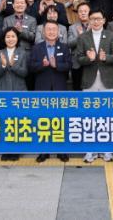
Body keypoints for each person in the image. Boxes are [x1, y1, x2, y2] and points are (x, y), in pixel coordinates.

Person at [76, 9, 113, 163]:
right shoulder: (83, 37)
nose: (96, 21)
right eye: (93, 18)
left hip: (108, 80)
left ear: (103, 20)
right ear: (89, 20)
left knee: (108, 116)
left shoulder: (111, 35)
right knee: (89, 116)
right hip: (89, 81)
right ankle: (90, 151)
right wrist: (89, 59)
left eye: (98, 18)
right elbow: (78, 58)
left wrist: (105, 57)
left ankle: (107, 150)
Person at [29, 20, 71, 163]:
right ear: (43, 32)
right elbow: (31, 67)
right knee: (43, 120)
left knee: (60, 119)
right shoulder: (37, 48)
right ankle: (44, 151)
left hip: (59, 88)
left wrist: (55, 65)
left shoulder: (64, 47)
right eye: (48, 29)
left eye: (54, 29)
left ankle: (62, 151)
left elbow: (68, 65)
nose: (51, 32)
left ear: (58, 32)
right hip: (42, 88)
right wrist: (43, 65)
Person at [0, 27, 28, 161]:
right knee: (4, 121)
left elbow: (25, 73)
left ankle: (17, 150)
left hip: (19, 91)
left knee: (18, 121)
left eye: (13, 36)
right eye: (8, 37)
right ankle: (6, 149)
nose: (10, 39)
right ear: (4, 39)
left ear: (17, 38)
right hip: (2, 91)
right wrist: (3, 66)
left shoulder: (23, 53)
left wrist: (13, 66)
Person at [68, 2, 91, 91]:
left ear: (90, 12)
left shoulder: (95, 26)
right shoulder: (72, 27)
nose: (83, 13)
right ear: (77, 13)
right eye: (80, 11)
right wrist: (80, 36)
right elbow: (69, 43)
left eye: (85, 11)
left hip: (91, 62)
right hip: (77, 63)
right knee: (77, 88)